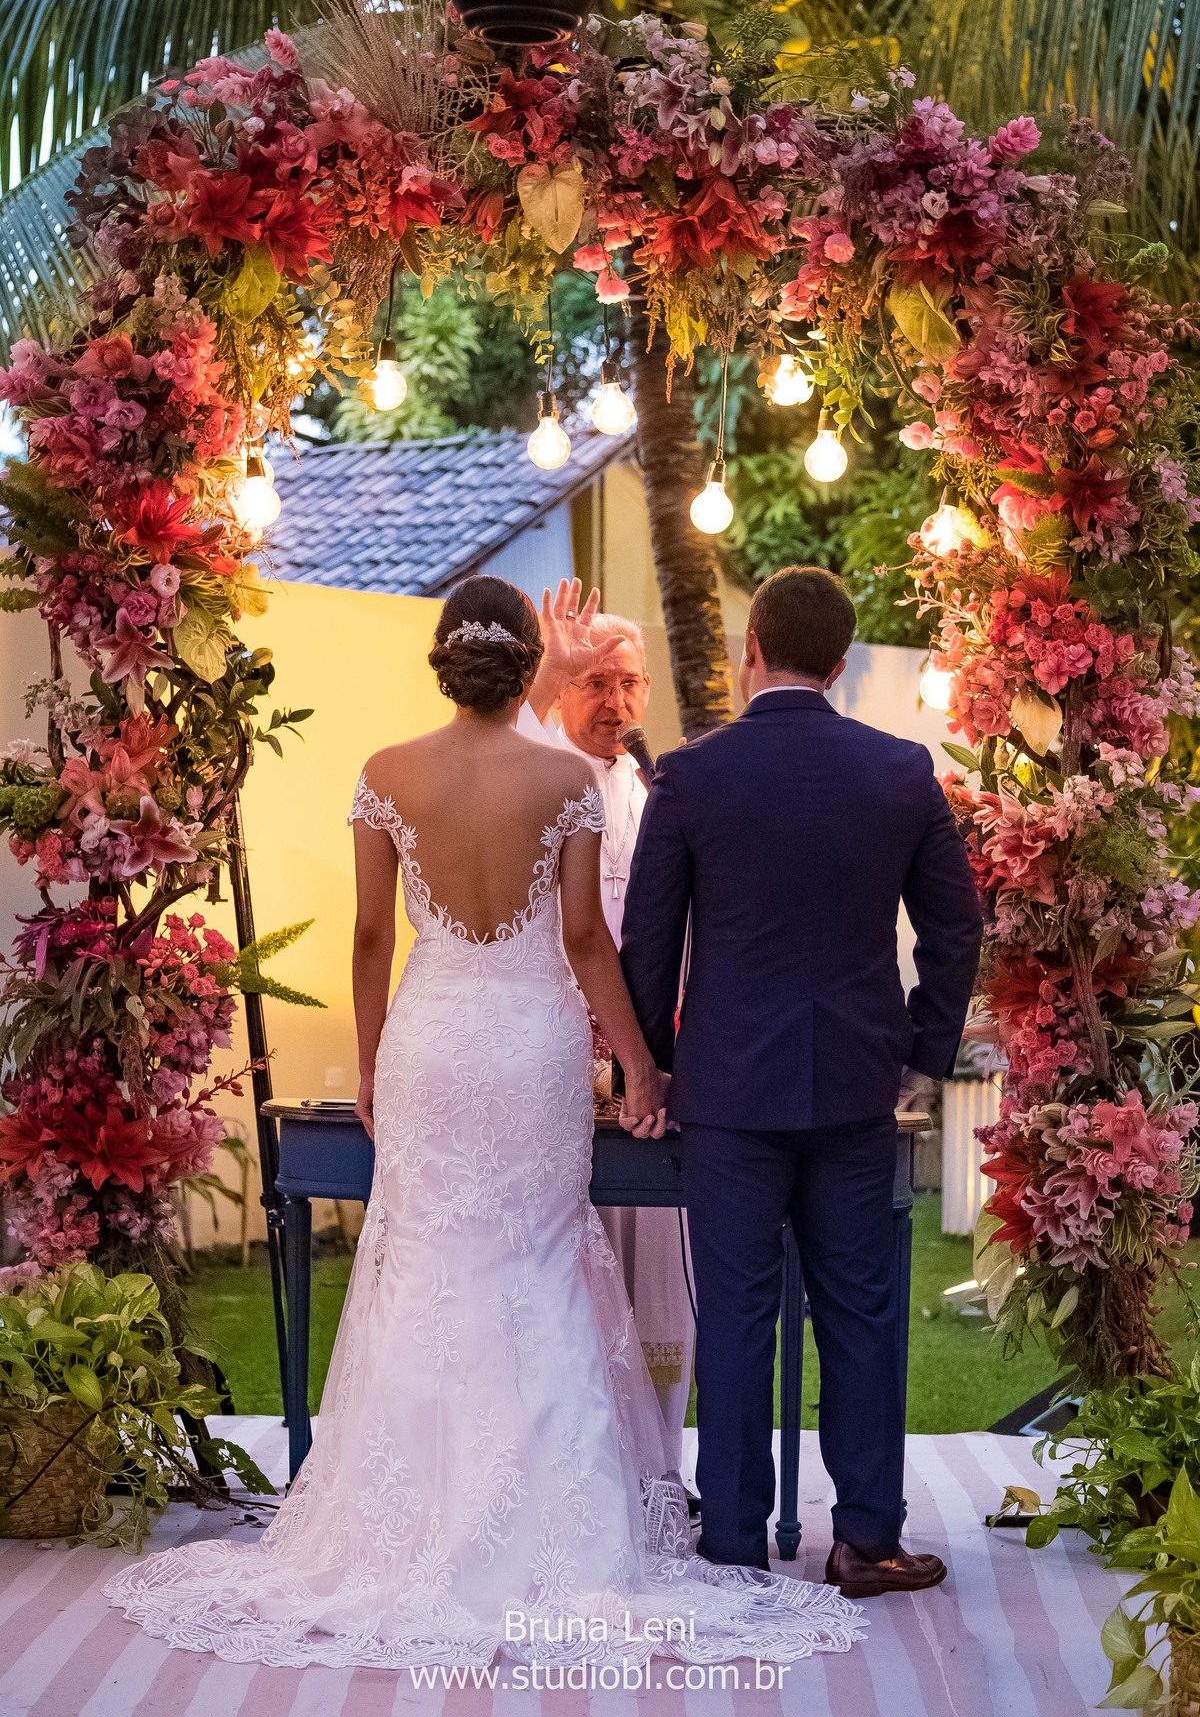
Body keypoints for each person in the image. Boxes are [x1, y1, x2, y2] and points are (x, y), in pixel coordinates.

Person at [105, 574, 864, 1670]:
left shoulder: (384, 776)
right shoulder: (566, 782)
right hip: (531, 1048)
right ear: (528, 668)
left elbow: (372, 942)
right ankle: (563, 1529)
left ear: (442, 661)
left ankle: (396, 1526)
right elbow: (588, 947)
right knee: (539, 1260)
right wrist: (644, 1067)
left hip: (430, 1042)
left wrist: (369, 1068)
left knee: (422, 1262)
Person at [620, 565, 983, 1598]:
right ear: (841, 660)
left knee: (736, 1315)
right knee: (860, 1313)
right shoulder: (901, 771)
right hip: (861, 1088)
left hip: (728, 1092)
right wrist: (923, 1052)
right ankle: (865, 1538)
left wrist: (650, 1068)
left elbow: (650, 944)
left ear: (749, 650)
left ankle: (733, 1536)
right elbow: (957, 928)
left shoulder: (691, 777)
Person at [517, 578, 696, 1458]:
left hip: (649, 1056)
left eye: (629, 683)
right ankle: (577, 1466)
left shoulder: (664, 789)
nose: (615, 701)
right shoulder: (530, 775)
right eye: (595, 682)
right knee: (565, 1270)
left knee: (658, 1264)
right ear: (562, 688)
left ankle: (659, 1462)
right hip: (550, 1055)